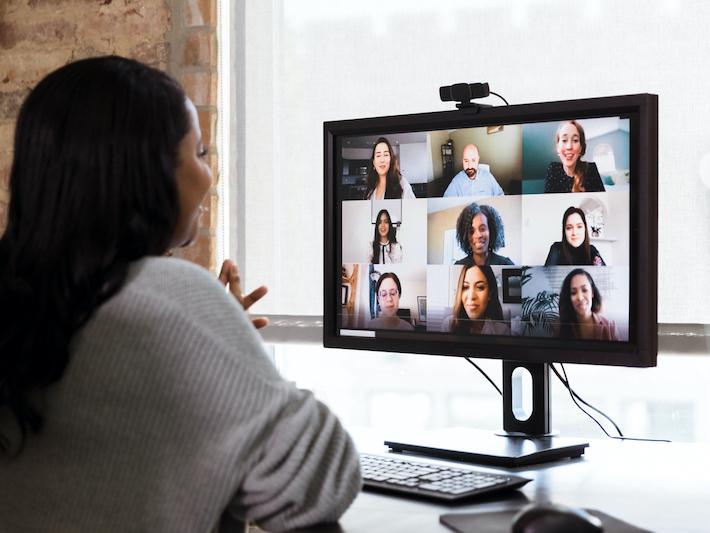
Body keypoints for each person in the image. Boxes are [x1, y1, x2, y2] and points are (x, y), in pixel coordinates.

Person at [0, 56, 360, 532]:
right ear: (150, 172)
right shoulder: (166, 297)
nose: (210, 177)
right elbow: (319, 480)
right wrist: (225, 340)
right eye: (201, 153)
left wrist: (209, 345)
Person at [442, 265, 510, 335]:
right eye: (465, 287)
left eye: (480, 287)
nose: (471, 296)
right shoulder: (449, 325)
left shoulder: (502, 331)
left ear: (490, 294)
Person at [544, 120, 605, 193]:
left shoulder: (591, 169)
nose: (569, 146)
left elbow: (600, 202)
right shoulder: (553, 169)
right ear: (558, 147)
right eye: (564, 140)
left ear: (581, 147)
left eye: (575, 140)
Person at [558, 269, 618, 340]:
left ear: (592, 293)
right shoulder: (559, 327)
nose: (580, 298)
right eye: (573, 292)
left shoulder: (610, 326)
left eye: (584, 290)